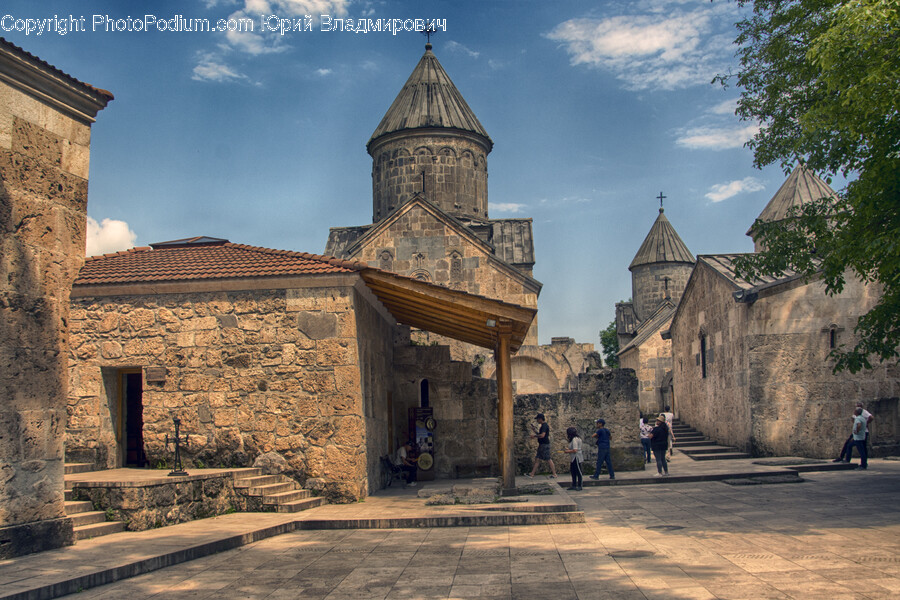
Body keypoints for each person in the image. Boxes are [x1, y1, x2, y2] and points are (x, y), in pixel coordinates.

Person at [528, 413, 557, 478]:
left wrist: (534, 436)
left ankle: (554, 474)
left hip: (544, 444)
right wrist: (534, 430)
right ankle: (532, 474)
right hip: (542, 444)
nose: (537, 421)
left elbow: (542, 435)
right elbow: (540, 434)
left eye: (537, 419)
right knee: (537, 459)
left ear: (540, 419)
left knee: (548, 459)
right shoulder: (543, 426)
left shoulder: (544, 426)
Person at [563, 426, 584, 491]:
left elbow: (575, 450)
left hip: (576, 457)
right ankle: (574, 484)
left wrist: (567, 451)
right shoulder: (576, 438)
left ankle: (580, 485)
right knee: (573, 471)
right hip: (573, 457)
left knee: (578, 471)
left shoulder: (575, 439)